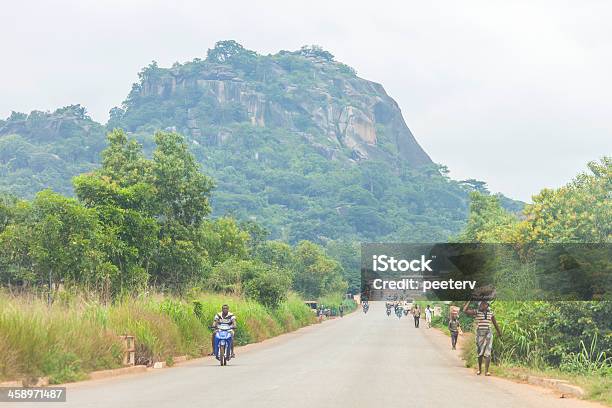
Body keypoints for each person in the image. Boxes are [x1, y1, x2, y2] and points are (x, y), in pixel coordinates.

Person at [463, 300, 502, 376]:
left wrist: (499, 332)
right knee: (480, 352)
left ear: (487, 305)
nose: (482, 305)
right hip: (480, 333)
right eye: (481, 304)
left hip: (488, 333)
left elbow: (495, 323)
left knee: (488, 352)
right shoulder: (477, 312)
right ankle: (479, 369)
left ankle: (487, 371)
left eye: (484, 304)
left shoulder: (491, 313)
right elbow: (465, 310)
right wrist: (469, 301)